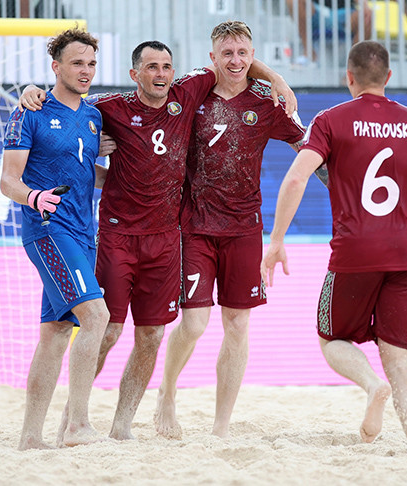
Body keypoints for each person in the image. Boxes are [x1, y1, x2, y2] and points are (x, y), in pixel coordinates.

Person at [19, 37, 297, 441]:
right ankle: (73, 414)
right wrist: (33, 91)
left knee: (150, 335)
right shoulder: (109, 107)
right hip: (117, 236)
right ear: (135, 74)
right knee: (108, 330)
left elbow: (235, 62)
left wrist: (276, 78)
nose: (160, 74)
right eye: (151, 67)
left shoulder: (187, 91)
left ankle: (122, 426)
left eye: (166, 66)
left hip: (167, 239)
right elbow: (67, 97)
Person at [261, 40, 407, 459]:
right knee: (400, 361)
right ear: (389, 77)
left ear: (347, 77)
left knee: (331, 338)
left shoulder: (331, 120)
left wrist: (276, 240)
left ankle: (372, 386)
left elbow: (296, 179)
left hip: (354, 252)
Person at [153, 21, 307, 440]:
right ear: (213, 58)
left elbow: (309, 150)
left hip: (244, 229)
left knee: (237, 325)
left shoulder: (268, 102)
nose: (235, 61)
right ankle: (166, 393)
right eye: (227, 54)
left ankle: (221, 426)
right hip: (196, 227)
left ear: (251, 55)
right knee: (195, 325)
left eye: (243, 53)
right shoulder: (193, 92)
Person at [0, 27, 110, 450]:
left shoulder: (92, 115)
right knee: (96, 317)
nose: (85, 71)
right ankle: (78, 426)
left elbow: (86, 173)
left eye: (91, 64)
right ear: (56, 67)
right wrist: (34, 196)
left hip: (85, 232)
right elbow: (9, 181)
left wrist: (122, 176)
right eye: (77, 63)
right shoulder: (30, 110)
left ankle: (30, 437)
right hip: (49, 229)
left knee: (55, 333)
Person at [286, 0, 373, 64]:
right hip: (317, 11)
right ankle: (309, 53)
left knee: (368, 15)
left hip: (344, 13)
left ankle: (354, 63)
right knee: (293, 1)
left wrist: (366, 7)